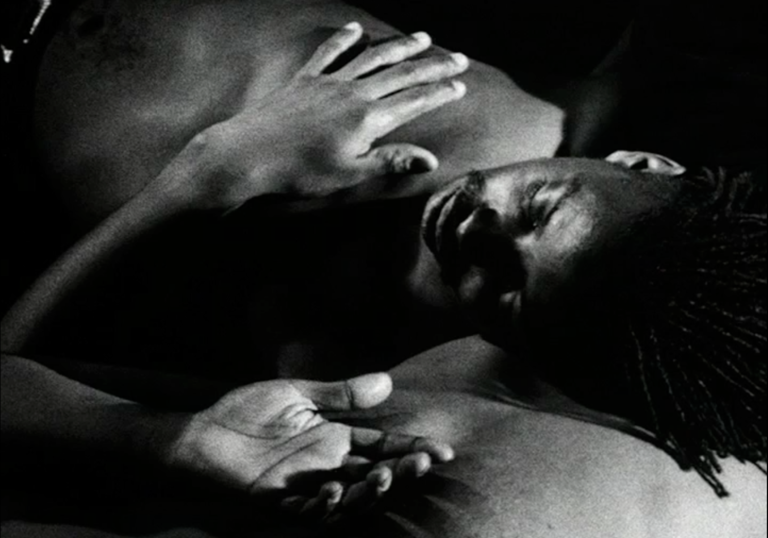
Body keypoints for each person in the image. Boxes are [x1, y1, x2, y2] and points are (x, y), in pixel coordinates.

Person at [1, 0, 765, 535]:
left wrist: (203, 179)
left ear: (535, 348)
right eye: (538, 206)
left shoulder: (335, 367)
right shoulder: (522, 118)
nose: (483, 230)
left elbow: (18, 379)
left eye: (504, 286)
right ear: (640, 162)